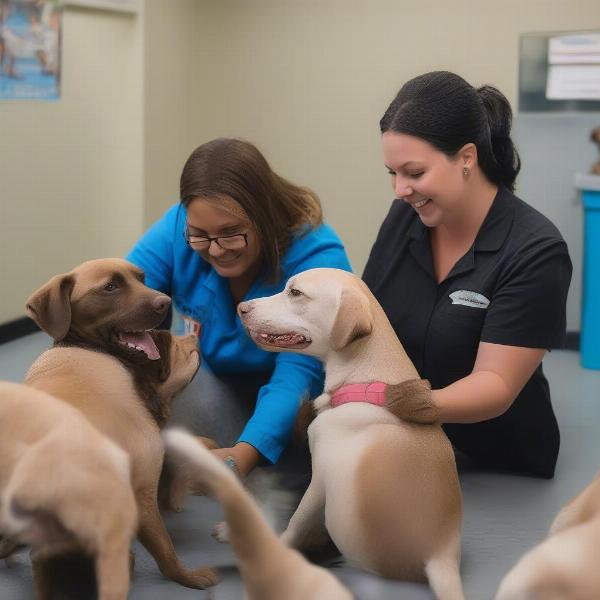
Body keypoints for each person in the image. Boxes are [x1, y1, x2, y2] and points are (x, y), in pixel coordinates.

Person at [363, 71, 572, 478]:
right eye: (393, 173)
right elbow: (371, 321)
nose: (399, 190)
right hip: (401, 440)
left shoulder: (536, 250)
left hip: (494, 459)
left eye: (414, 172)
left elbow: (494, 383)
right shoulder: (404, 217)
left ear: (467, 158)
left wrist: (411, 406)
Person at [127, 138, 351, 477]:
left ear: (265, 218)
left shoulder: (317, 256)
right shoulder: (178, 229)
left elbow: (297, 374)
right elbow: (125, 301)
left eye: (232, 234)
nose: (216, 250)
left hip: (294, 402)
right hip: (214, 385)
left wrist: (241, 457)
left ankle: (269, 461)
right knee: (158, 367)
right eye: (199, 236)